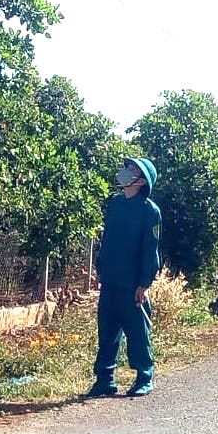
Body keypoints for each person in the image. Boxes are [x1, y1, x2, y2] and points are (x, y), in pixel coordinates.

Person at [87, 157, 162, 399]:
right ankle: (105, 380)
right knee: (107, 332)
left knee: (138, 332)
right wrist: (100, 270)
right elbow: (107, 241)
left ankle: (144, 376)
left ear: (141, 181)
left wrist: (144, 283)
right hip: (111, 280)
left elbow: (151, 248)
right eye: (127, 168)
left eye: (132, 170)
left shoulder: (149, 210)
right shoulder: (115, 204)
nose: (126, 172)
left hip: (133, 284)